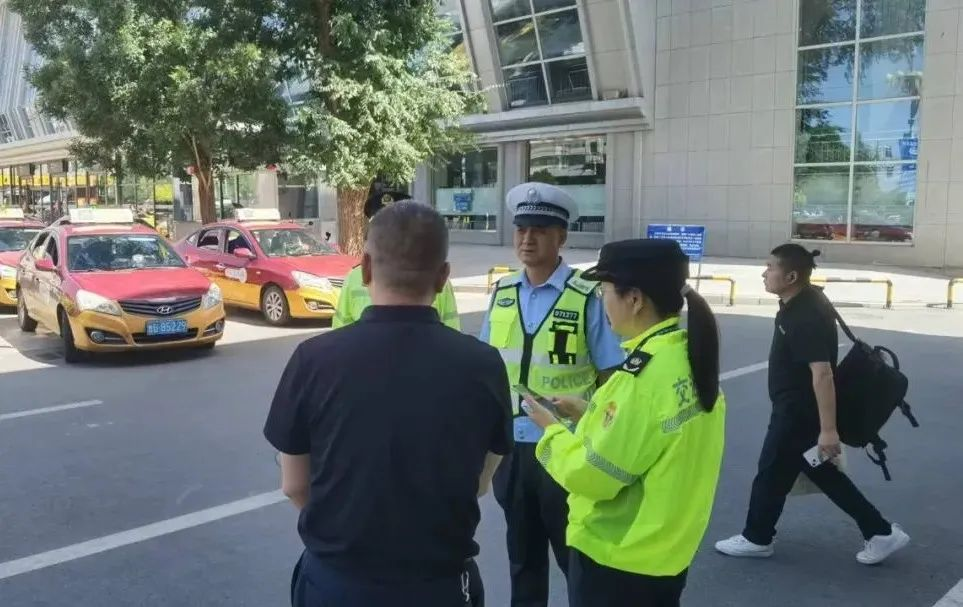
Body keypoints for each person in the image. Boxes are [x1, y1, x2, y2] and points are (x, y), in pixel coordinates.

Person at [264, 201, 513, 606]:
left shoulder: (313, 359)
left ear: (365, 269)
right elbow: (481, 482)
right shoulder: (483, 365)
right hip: (441, 585)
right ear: (443, 277)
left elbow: (294, 484)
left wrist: (345, 535)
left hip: (338, 582)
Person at [522, 239, 726, 607]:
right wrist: (590, 413)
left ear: (634, 299)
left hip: (619, 556)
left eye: (604, 292)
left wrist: (550, 431)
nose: (603, 303)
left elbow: (593, 475)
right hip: (666, 550)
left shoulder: (640, 380)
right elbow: (648, 438)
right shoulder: (685, 357)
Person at [715, 244, 909, 565]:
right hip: (798, 410)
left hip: (798, 413)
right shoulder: (801, 303)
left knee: (771, 472)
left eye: (770, 267)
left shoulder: (804, 315)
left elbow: (822, 373)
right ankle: (879, 531)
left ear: (791, 276)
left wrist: (828, 431)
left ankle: (757, 537)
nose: (764, 273)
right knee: (815, 471)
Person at [480, 182, 625, 607]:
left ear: (561, 237)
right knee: (522, 557)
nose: (527, 239)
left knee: (574, 556)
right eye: (521, 229)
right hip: (511, 448)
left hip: (565, 448)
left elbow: (611, 375)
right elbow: (488, 366)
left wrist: (600, 435)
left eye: (540, 230)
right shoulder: (503, 292)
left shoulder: (586, 296)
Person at [333, 190, 460, 330]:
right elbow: (340, 330)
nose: (391, 236)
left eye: (399, 229)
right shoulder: (353, 278)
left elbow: (451, 330)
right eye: (382, 230)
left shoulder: (435, 277)